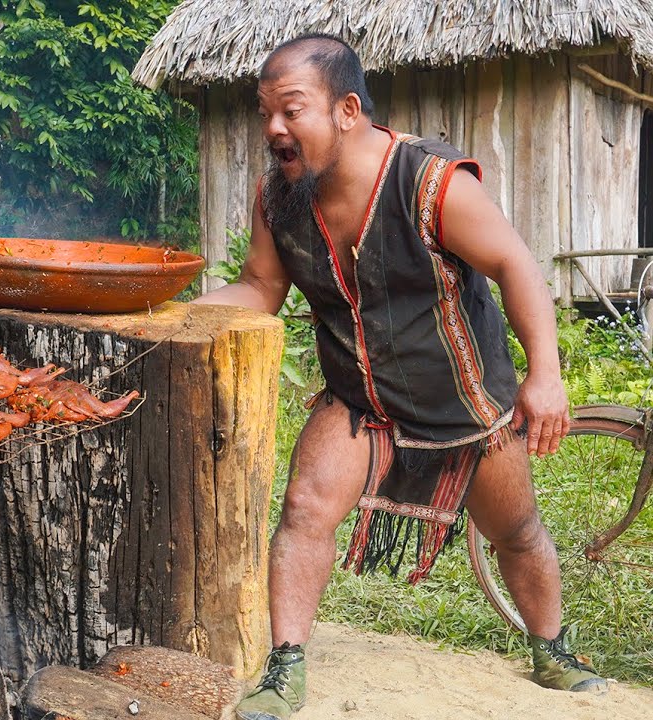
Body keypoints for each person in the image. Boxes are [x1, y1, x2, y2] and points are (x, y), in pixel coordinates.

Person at [192, 34, 609, 720]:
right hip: (361, 403)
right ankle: (285, 667)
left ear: (347, 110)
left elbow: (515, 264)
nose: (273, 129)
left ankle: (553, 649)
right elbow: (259, 288)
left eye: (291, 110)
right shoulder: (280, 198)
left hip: (469, 406)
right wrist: (172, 312)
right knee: (303, 511)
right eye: (266, 113)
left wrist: (547, 375)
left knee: (520, 532)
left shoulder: (433, 180)